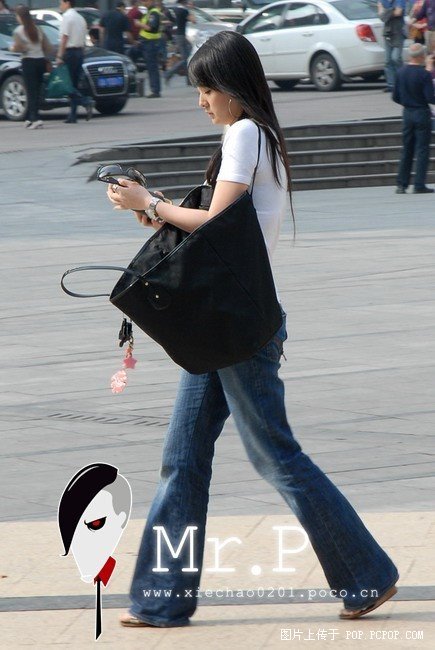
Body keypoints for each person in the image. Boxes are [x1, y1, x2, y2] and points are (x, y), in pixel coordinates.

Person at [104, 31, 400, 629]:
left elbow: (218, 224)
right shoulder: (255, 135)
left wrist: (151, 205)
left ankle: (366, 574)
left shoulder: (244, 134)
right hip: (223, 326)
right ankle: (162, 599)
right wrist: (153, 206)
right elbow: (226, 231)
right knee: (182, 458)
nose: (201, 101)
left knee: (274, 456)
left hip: (238, 331)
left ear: (233, 88)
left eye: (206, 89)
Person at [393, 42, 435, 193]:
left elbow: (395, 96)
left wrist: (407, 103)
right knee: (422, 149)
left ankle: (401, 184)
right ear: (422, 56)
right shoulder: (424, 74)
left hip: (407, 113)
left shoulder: (400, 72)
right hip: (421, 113)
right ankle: (419, 184)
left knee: (407, 149)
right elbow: (430, 97)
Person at [10, 5, 52, 129]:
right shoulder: (37, 29)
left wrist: (11, 48)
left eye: (17, 16)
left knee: (30, 91)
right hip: (40, 61)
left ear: (20, 17)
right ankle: (30, 118)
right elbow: (47, 46)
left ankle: (35, 119)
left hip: (28, 62)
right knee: (37, 90)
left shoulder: (18, 31)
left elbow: (20, 48)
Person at [56, 0, 94, 124]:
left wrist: (59, 55)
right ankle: (73, 115)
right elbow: (83, 38)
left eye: (61, 3)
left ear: (67, 3)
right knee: (75, 83)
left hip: (70, 52)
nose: (60, 6)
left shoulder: (67, 17)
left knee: (68, 84)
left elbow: (64, 37)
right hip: (79, 52)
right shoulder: (80, 18)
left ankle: (85, 101)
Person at [377, 1, 406, 92]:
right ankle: (391, 85)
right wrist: (392, 10)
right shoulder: (382, 1)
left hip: (398, 32)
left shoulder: (399, 0)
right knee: (388, 60)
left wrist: (385, 12)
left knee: (396, 58)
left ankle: (402, 82)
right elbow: (381, 17)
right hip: (388, 32)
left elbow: (399, 12)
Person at [137, 0, 162, 97]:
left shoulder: (154, 12)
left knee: (152, 67)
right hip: (147, 42)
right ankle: (154, 89)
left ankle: (155, 91)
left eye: (145, 1)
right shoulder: (149, 12)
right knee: (150, 66)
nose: (144, 3)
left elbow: (151, 28)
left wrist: (139, 24)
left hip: (151, 43)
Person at [164, 0, 193, 84]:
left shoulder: (175, 9)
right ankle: (169, 73)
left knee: (188, 56)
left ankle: (189, 79)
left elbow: (170, 19)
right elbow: (193, 20)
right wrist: (190, 9)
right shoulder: (184, 11)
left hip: (177, 35)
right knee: (186, 58)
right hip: (181, 36)